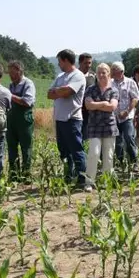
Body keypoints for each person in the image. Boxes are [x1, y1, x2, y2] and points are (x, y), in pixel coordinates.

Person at [48, 49, 87, 188]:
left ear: (65, 60)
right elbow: (49, 94)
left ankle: (82, 178)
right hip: (60, 119)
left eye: (59, 61)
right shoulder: (60, 76)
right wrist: (60, 91)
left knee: (76, 149)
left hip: (72, 119)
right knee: (63, 151)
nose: (58, 64)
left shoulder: (78, 76)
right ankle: (68, 176)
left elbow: (67, 92)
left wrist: (59, 91)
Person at [84, 63, 119, 190]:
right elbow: (88, 106)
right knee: (94, 153)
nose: (101, 75)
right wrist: (104, 103)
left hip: (109, 126)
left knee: (108, 155)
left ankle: (106, 181)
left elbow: (112, 107)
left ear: (109, 74)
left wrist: (97, 104)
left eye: (104, 72)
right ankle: (89, 182)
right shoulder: (90, 89)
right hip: (94, 126)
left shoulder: (114, 90)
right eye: (99, 72)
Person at [6, 60, 36, 182]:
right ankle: (14, 175)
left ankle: (26, 175)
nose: (10, 75)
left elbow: (27, 101)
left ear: (19, 71)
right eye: (9, 73)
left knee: (26, 147)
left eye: (12, 73)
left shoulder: (28, 84)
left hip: (24, 119)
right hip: (11, 119)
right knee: (12, 147)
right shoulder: (11, 85)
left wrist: (10, 95)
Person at [110, 61, 139, 167]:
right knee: (117, 141)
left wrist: (127, 111)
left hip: (127, 117)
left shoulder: (130, 82)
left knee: (128, 137)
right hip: (114, 117)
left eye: (114, 70)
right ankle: (120, 162)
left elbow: (135, 98)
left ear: (121, 72)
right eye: (112, 70)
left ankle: (134, 161)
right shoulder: (110, 83)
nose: (112, 72)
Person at [79, 52, 95, 140]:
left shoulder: (93, 75)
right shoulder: (74, 75)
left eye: (90, 63)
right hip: (77, 110)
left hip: (89, 112)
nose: (88, 65)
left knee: (86, 136)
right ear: (80, 63)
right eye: (86, 63)